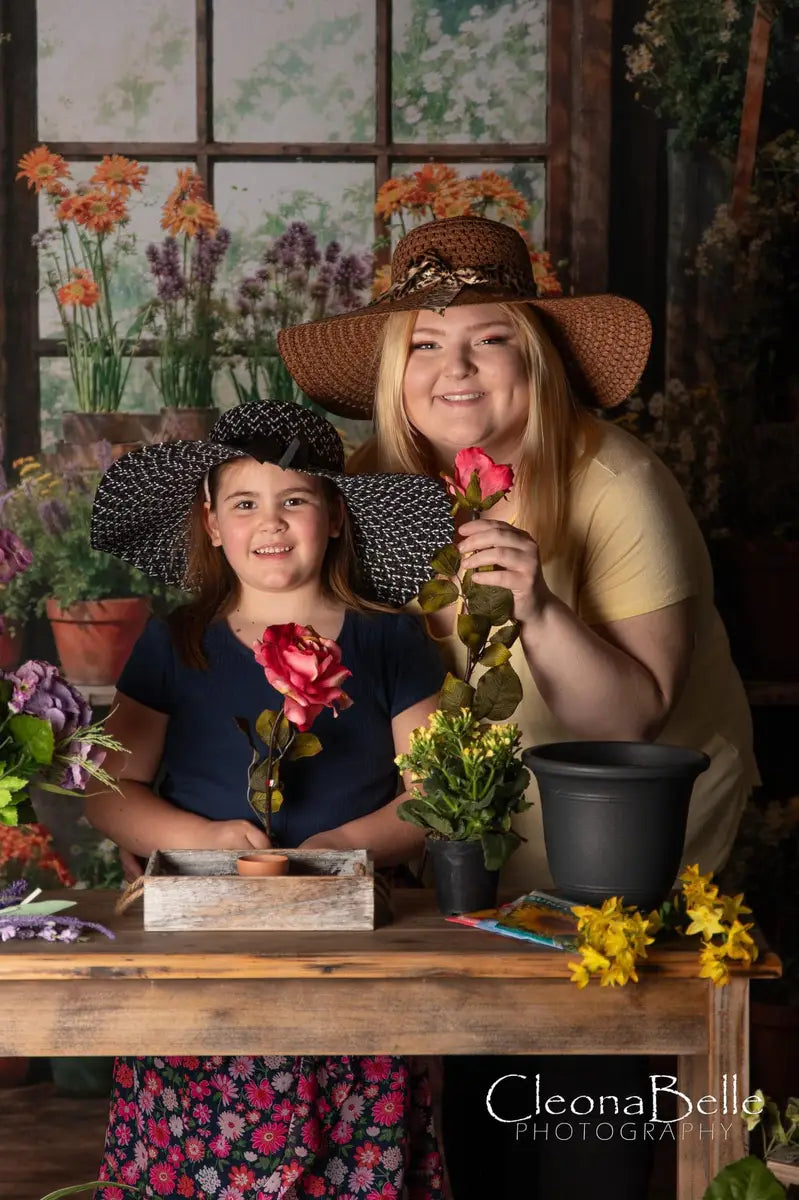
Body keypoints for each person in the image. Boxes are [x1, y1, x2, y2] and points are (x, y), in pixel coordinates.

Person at [278, 215, 759, 1198]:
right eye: (424, 344)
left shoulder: (612, 482)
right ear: (390, 370)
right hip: (462, 847)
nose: (453, 370)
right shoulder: (365, 491)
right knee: (472, 1126)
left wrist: (538, 603)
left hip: (618, 852)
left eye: (487, 338)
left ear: (531, 358)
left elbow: (630, 717)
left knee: (583, 1128)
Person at [85, 400, 453, 1200]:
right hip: (201, 944)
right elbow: (108, 793)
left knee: (350, 1144)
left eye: (295, 500)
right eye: (244, 503)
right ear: (212, 524)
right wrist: (211, 839)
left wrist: (334, 851)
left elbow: (434, 796)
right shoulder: (175, 638)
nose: (271, 522)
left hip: (353, 937)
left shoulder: (391, 636)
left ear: (334, 518)